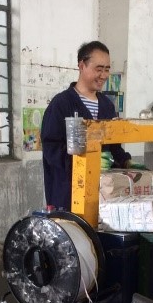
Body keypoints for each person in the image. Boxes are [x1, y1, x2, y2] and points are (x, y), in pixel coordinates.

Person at [40, 41, 131, 210]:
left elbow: (114, 147)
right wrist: (86, 160)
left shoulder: (107, 106)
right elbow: (51, 148)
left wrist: (126, 161)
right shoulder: (61, 104)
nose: (103, 75)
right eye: (99, 69)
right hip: (69, 194)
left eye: (107, 69)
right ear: (82, 66)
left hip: (103, 193)